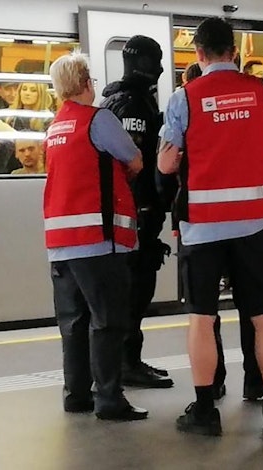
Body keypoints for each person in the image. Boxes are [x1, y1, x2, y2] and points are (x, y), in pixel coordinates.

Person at [158, 17, 263, 437]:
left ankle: (204, 411)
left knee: (201, 317)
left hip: (202, 226)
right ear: (233, 52)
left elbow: (165, 162)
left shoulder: (184, 98)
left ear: (198, 53)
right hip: (255, 223)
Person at [43, 53, 147, 422]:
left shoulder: (55, 127)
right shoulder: (97, 120)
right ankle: (109, 399)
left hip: (60, 243)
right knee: (107, 320)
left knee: (73, 322)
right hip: (97, 240)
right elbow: (133, 158)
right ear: (87, 82)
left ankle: (76, 395)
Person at [98, 35, 175, 389]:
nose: (161, 69)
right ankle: (127, 362)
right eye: (156, 60)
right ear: (143, 64)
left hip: (132, 214)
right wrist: (152, 203)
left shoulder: (117, 102)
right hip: (135, 216)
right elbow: (136, 166)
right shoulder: (133, 106)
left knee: (131, 291)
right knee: (135, 291)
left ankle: (128, 360)